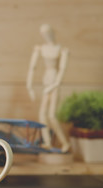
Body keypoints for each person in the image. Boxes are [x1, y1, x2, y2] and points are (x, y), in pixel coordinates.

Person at [26, 24, 70, 153]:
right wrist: (29, 86)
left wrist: (54, 85)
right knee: (42, 115)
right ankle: (47, 142)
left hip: (55, 82)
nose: (46, 36)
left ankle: (65, 143)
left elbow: (62, 69)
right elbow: (32, 67)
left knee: (52, 115)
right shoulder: (40, 49)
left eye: (47, 32)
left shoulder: (62, 49)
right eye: (43, 33)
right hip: (47, 81)